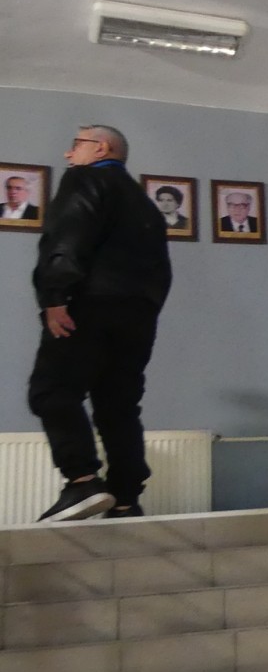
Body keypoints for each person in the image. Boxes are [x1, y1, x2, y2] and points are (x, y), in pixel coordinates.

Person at [30, 124, 171, 520]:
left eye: (76, 144)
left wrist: (54, 296)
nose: (68, 154)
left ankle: (82, 481)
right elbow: (161, 271)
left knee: (52, 390)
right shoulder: (146, 206)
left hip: (88, 304)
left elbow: (67, 236)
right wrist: (144, 312)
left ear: (101, 148)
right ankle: (125, 500)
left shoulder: (85, 178)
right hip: (139, 317)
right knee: (118, 406)